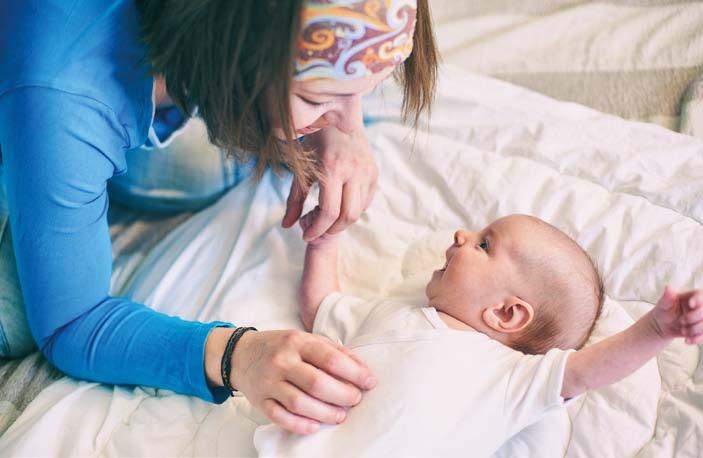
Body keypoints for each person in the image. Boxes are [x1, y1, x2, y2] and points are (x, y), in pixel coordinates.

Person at [0, 0, 438, 435]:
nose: (347, 119)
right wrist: (235, 355)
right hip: (40, 91)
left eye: (360, 93)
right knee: (18, 319)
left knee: (203, 170)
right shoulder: (63, 92)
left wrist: (341, 135)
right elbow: (71, 322)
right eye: (316, 97)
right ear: (229, 53)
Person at [295, 214, 703, 451]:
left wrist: (655, 329)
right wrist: (324, 241)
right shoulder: (391, 312)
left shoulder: (506, 376)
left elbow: (585, 372)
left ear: (506, 313)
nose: (461, 235)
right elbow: (321, 309)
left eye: (484, 244)